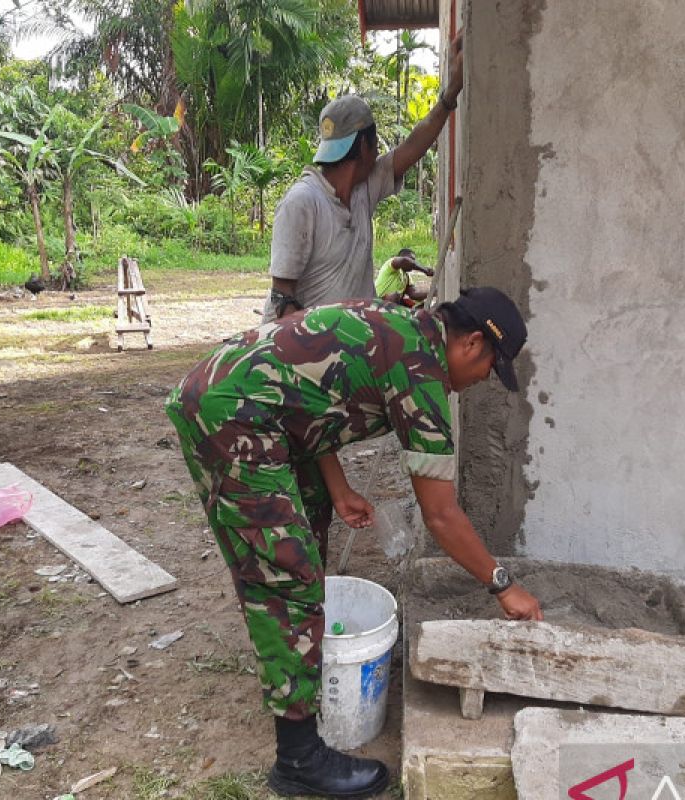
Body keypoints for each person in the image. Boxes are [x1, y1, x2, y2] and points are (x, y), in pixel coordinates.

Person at [167, 286, 543, 799]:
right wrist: (503, 585)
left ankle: (298, 662)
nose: (478, 384)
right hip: (230, 417)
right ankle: (297, 760)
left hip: (243, 402)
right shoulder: (421, 375)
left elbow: (306, 396)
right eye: (488, 371)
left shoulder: (401, 326)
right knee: (287, 574)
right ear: (473, 343)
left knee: (312, 520)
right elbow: (441, 514)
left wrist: (339, 488)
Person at [263, 32, 465, 322]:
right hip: (306, 352)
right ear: (363, 146)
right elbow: (283, 299)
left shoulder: (363, 188)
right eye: (377, 143)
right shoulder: (303, 203)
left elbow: (412, 146)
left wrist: (450, 93)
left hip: (346, 346)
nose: (382, 152)